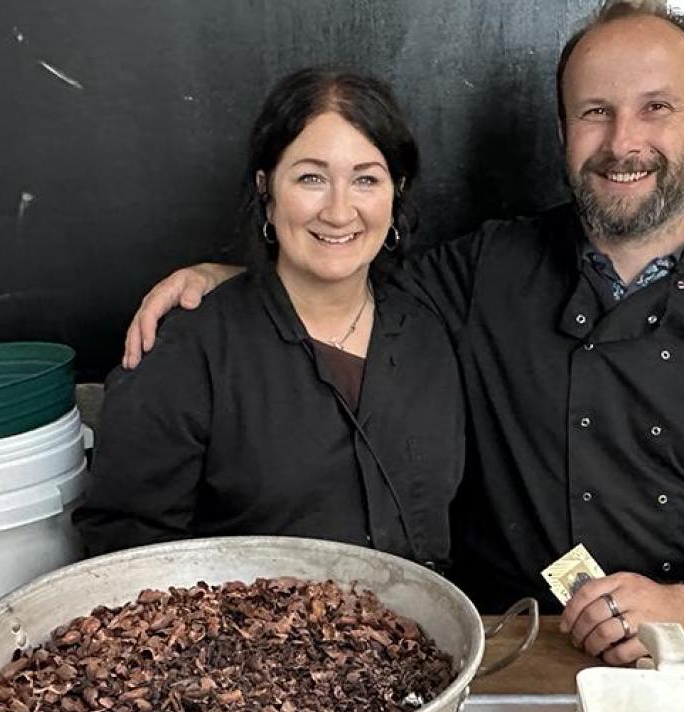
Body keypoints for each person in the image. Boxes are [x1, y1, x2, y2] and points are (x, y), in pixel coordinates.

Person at [118, 3, 684, 666]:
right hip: (504, 640)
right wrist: (236, 277)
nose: (623, 141)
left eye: (657, 108)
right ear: (564, 131)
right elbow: (340, 269)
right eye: (596, 112)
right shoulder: (486, 266)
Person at [73, 68, 464, 568]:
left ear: (397, 190)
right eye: (311, 178)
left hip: (421, 635)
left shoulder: (432, 329)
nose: (340, 211)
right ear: (266, 188)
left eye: (366, 179)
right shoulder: (188, 349)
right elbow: (124, 546)